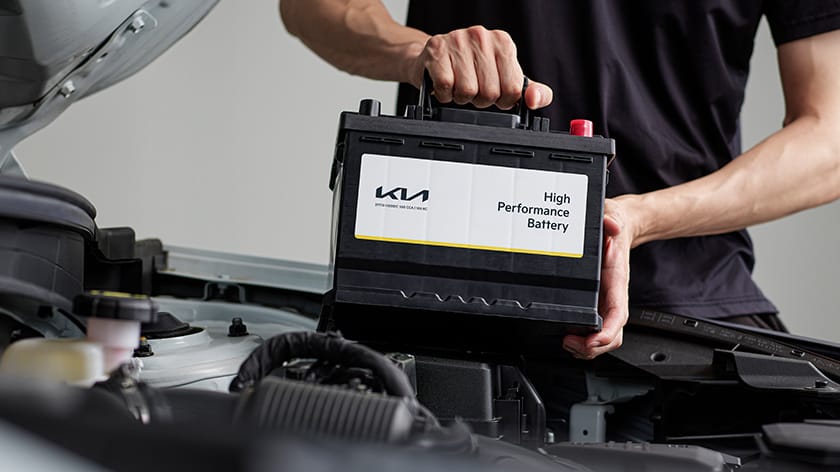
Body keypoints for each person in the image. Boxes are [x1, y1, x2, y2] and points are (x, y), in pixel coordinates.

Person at [279, 1, 840, 359]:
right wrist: (413, 52)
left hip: (684, 304)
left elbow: (830, 138)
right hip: (438, 303)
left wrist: (633, 218)